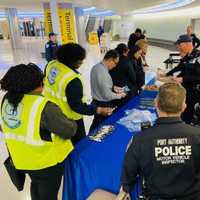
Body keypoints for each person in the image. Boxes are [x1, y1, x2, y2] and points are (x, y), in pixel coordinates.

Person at [0, 63, 77, 200]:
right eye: (41, 83)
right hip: (44, 163)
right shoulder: (43, 106)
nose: (43, 86)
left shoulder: (6, 100)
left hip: (21, 159)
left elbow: (4, 126)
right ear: (32, 87)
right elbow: (68, 130)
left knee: (36, 185)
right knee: (48, 193)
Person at [120, 82, 200, 200]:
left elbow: (127, 178)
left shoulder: (140, 139)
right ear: (184, 107)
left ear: (155, 103)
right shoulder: (197, 136)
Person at [43, 43, 112, 144]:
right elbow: (77, 106)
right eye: (80, 61)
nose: (82, 62)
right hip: (70, 119)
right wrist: (98, 110)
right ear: (71, 61)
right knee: (78, 146)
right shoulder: (72, 79)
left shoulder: (51, 65)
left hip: (51, 113)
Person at [166, 34, 200, 123]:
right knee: (184, 114)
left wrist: (183, 79)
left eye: (180, 45)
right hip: (185, 92)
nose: (178, 48)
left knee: (191, 115)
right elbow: (179, 68)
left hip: (195, 94)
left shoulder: (198, 56)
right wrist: (166, 74)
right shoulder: (187, 56)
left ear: (187, 44)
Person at [90, 50, 126, 131]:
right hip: (103, 104)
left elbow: (100, 84)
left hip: (96, 101)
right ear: (110, 59)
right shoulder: (103, 73)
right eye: (115, 63)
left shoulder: (96, 67)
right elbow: (107, 95)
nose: (115, 66)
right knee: (102, 127)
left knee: (96, 124)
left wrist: (113, 87)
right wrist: (119, 95)